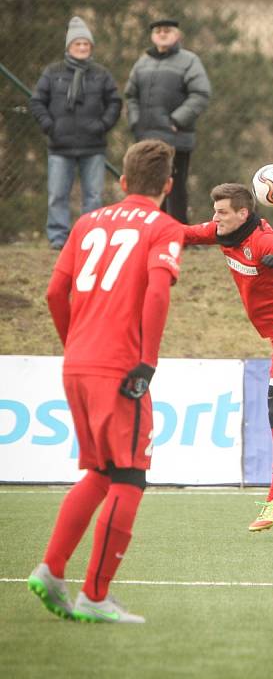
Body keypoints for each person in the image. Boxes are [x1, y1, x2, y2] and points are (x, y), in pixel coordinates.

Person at [28, 139, 185, 623]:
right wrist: (147, 361)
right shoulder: (164, 226)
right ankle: (95, 596)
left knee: (99, 472)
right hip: (121, 368)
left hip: (77, 363)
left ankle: (51, 570)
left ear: (121, 182)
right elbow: (157, 291)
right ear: (168, 186)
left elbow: (56, 291)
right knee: (129, 477)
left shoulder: (86, 222)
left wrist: (73, 341)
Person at [184, 183, 273, 532]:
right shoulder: (224, 232)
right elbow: (185, 233)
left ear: (242, 214)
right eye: (214, 211)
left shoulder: (262, 240)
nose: (214, 218)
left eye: (221, 212)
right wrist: (142, 230)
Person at [30, 16, 122, 250]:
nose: (82, 48)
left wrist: (103, 125)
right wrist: (50, 126)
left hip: (93, 146)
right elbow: (37, 102)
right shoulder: (52, 72)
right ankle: (58, 239)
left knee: (93, 197)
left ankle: (90, 238)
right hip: (60, 146)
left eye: (86, 44)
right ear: (69, 47)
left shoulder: (101, 74)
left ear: (90, 47)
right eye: (77, 44)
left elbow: (115, 102)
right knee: (57, 195)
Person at [125, 18, 211, 224]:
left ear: (177, 35)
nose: (162, 34)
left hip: (176, 137)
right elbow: (131, 95)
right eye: (158, 31)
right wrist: (136, 121)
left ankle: (181, 232)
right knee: (150, 185)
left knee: (175, 186)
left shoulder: (189, 61)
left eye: (167, 30)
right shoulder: (143, 62)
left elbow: (200, 94)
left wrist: (177, 120)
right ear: (152, 36)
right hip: (146, 138)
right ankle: (154, 230)